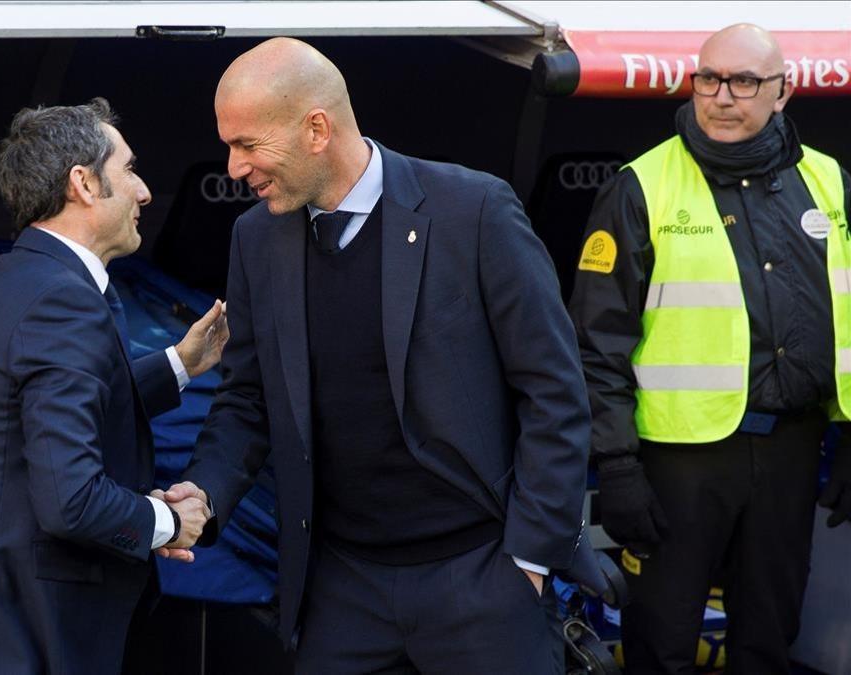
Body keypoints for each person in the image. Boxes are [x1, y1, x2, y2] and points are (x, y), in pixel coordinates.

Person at [164, 38, 591, 673]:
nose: (232, 168)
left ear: (316, 129)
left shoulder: (473, 210)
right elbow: (247, 400)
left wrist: (526, 564)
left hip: (481, 578)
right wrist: (205, 491)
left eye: (248, 145)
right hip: (342, 589)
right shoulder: (255, 237)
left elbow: (554, 390)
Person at [0, 99, 228, 675]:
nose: (145, 192)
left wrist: (178, 363)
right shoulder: (63, 299)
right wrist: (170, 523)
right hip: (22, 632)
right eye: (128, 170)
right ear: (83, 184)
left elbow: (36, 415)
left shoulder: (17, 275)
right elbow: (70, 500)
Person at [568, 23, 851, 674]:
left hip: (791, 447)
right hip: (679, 466)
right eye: (708, 79)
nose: (722, 96)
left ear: (783, 92)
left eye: (744, 81)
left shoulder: (830, 182)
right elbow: (595, 342)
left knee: (769, 639)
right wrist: (615, 465)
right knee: (660, 643)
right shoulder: (641, 185)